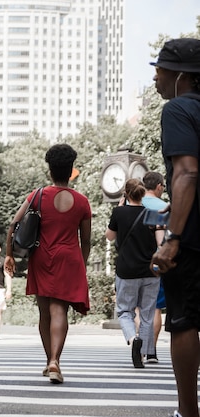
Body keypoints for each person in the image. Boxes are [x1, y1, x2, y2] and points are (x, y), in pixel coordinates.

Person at [4, 144, 91, 384]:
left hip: (42, 257)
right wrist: (81, 266)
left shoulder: (37, 195)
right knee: (59, 310)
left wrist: (9, 254)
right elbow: (86, 240)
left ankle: (49, 361)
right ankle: (55, 361)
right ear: (71, 170)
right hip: (69, 258)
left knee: (44, 312)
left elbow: (13, 224)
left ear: (50, 170)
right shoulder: (83, 202)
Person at [149, 38, 200, 417]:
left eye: (160, 68)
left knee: (184, 321)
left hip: (194, 237)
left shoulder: (179, 110)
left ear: (182, 76)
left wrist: (173, 238)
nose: (155, 76)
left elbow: (186, 172)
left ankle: (187, 411)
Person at [106, 179, 162, 368]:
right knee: (147, 314)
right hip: (150, 271)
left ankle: (132, 338)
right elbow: (160, 242)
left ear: (126, 194)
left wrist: (120, 207)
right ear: (142, 193)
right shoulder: (152, 214)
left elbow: (110, 236)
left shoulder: (119, 213)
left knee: (125, 311)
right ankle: (144, 352)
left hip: (126, 271)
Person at [141, 171, 169, 364]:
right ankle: (151, 351)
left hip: (133, 262)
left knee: (137, 308)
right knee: (156, 308)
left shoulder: (132, 203)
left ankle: (139, 344)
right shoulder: (165, 207)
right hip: (156, 261)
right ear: (159, 186)